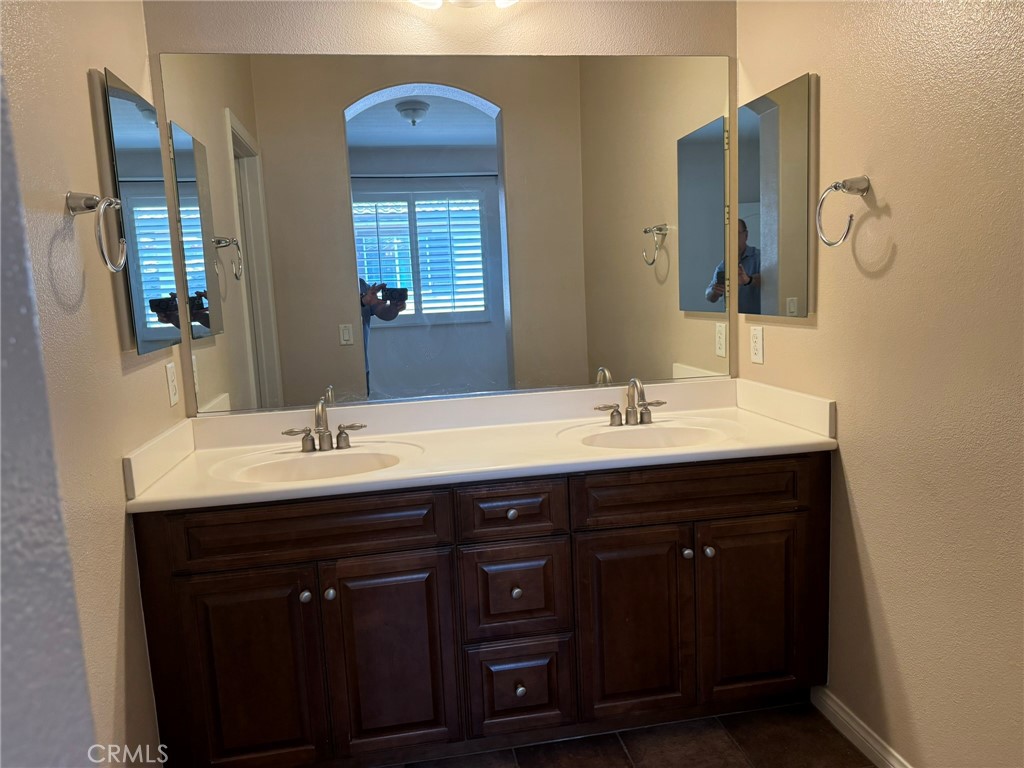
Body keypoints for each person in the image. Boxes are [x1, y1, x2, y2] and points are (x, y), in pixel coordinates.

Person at [359, 278, 406, 392]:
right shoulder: (337, 287)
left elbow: (384, 314)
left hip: (362, 364)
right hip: (342, 361)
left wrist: (394, 308)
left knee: (362, 403)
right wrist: (362, 301)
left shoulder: (361, 285)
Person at [706, 219, 761, 315]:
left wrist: (748, 280)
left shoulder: (760, 257)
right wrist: (715, 292)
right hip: (733, 321)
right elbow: (708, 295)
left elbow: (771, 283)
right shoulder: (724, 265)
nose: (733, 237)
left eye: (737, 233)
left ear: (746, 235)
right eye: (729, 234)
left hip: (757, 322)